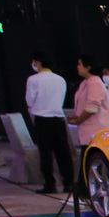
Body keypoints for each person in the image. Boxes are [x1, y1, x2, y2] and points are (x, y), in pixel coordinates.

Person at [67, 57, 109, 211]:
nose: (77, 67)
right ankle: (83, 195)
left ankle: (85, 195)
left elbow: (92, 107)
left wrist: (79, 120)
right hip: (86, 130)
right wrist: (77, 116)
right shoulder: (85, 83)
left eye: (79, 64)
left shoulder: (95, 83)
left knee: (90, 163)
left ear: (88, 66)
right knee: (86, 163)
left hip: (96, 129)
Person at [26, 54, 73, 194]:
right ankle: (69, 183)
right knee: (63, 152)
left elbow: (29, 100)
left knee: (45, 153)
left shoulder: (33, 79)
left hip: (42, 118)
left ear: (38, 62)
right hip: (58, 118)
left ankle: (50, 184)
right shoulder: (60, 79)